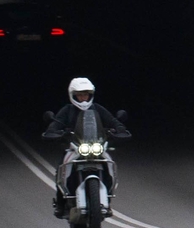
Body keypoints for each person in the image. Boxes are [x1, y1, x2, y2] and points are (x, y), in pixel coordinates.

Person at [42, 77, 130, 215]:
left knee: (108, 162)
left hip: (96, 145)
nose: (83, 98)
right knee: (62, 167)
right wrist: (53, 131)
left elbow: (113, 121)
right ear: (73, 95)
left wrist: (120, 129)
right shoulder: (68, 110)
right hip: (75, 146)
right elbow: (56, 123)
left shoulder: (97, 109)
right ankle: (60, 203)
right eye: (80, 95)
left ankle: (107, 197)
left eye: (86, 94)